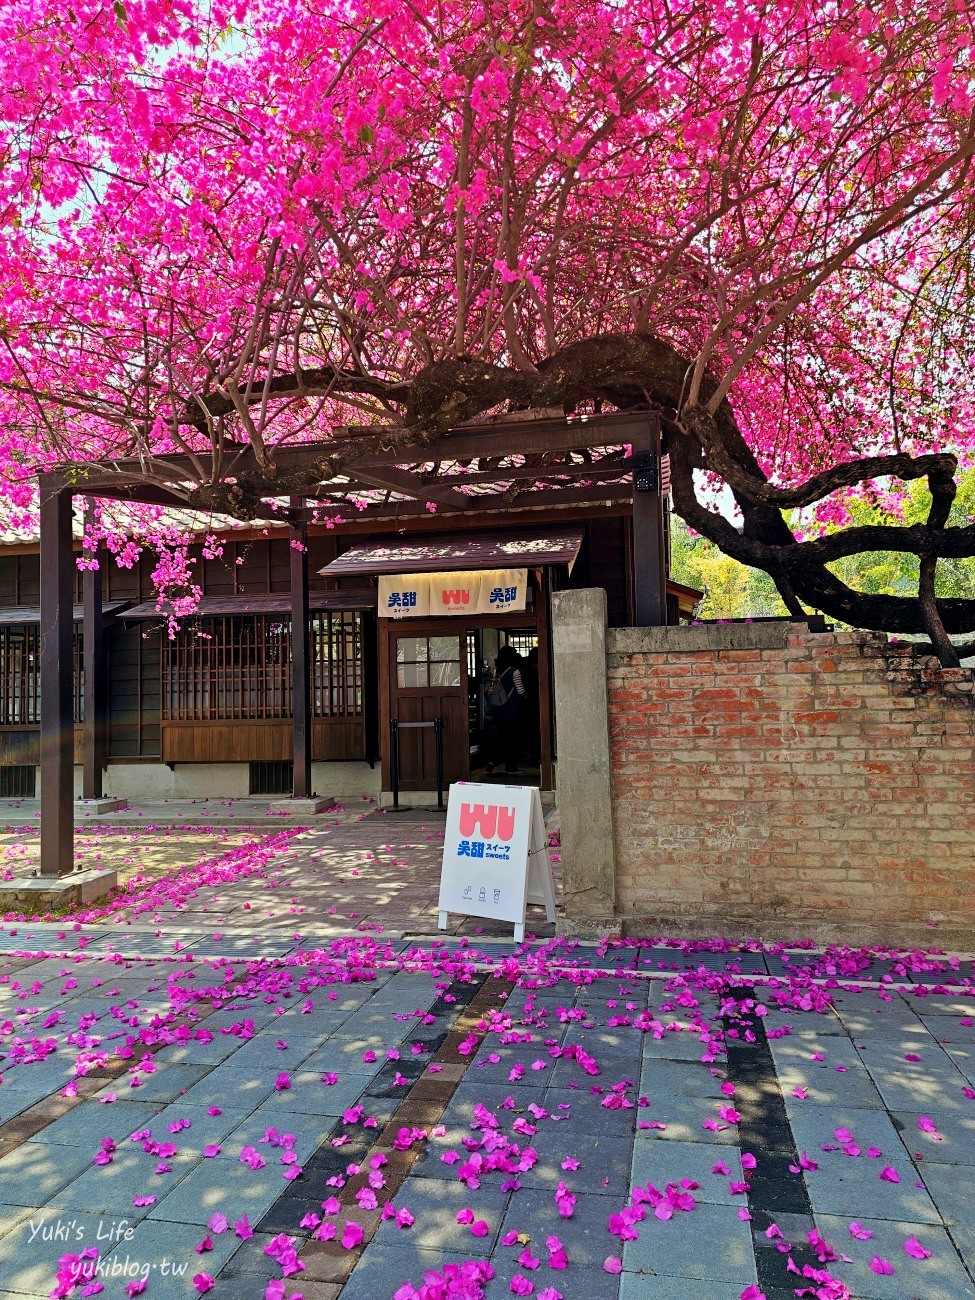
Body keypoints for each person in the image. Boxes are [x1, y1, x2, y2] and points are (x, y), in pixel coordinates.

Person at [485, 644, 527, 775]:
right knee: (512, 738)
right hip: (512, 710)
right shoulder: (515, 672)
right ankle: (511, 765)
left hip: (499, 710)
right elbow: (521, 691)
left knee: (501, 737)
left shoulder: (497, 671)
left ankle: (493, 760)